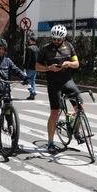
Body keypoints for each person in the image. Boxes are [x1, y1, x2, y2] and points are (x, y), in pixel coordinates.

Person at [36, 24, 82, 154]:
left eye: (58, 39)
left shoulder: (69, 46)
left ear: (63, 38)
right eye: (54, 39)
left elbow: (77, 63)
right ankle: (50, 142)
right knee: (55, 112)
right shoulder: (45, 49)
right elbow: (37, 66)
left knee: (80, 108)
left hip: (67, 81)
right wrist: (48, 68)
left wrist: (69, 64)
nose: (56, 42)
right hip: (54, 84)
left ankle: (76, 131)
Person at [24, 32, 39, 100]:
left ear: (32, 40)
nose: (28, 41)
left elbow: (28, 59)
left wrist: (25, 67)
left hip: (30, 67)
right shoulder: (37, 48)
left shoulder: (29, 48)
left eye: (29, 39)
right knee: (32, 81)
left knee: (26, 80)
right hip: (36, 67)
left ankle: (32, 92)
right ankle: (32, 95)